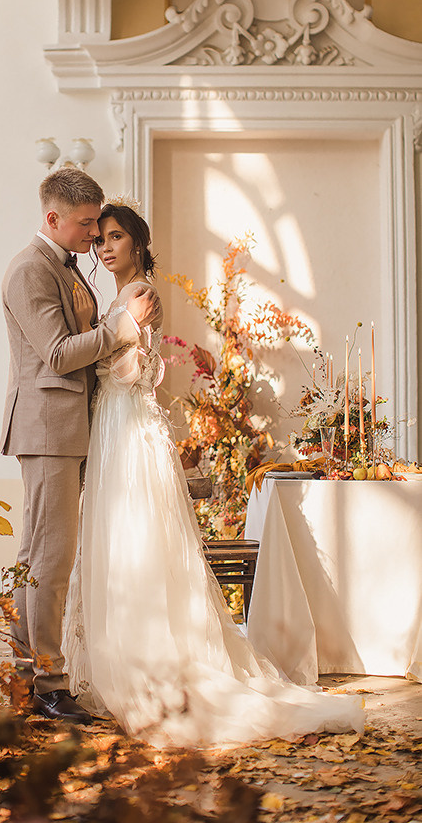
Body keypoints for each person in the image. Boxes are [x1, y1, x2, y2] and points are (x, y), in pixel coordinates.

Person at [62, 201, 365, 747]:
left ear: (137, 243)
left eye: (115, 237)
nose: (105, 247)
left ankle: (147, 660)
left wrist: (103, 351)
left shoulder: (138, 295)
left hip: (127, 426)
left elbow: (132, 371)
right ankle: (124, 649)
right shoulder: (122, 296)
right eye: (100, 239)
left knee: (136, 538)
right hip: (116, 426)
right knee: (123, 539)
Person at [0, 169, 159, 725]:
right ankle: (47, 684)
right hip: (48, 429)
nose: (95, 234)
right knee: (50, 560)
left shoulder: (65, 267)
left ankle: (26, 678)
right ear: (53, 218)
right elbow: (59, 353)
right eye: (87, 223)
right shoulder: (30, 270)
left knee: (39, 558)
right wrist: (124, 326)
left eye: (100, 225)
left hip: (69, 428)